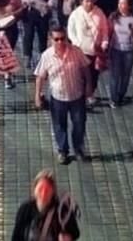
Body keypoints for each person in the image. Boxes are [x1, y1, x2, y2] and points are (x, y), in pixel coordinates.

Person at [34, 25, 93, 164]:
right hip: (58, 98)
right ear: (51, 39)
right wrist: (37, 95)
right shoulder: (47, 56)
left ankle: (78, 149)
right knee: (59, 125)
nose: (60, 42)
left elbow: (86, 69)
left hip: (77, 96)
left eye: (63, 38)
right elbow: (40, 77)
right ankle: (63, 150)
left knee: (79, 124)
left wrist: (89, 86)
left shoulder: (76, 52)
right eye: (56, 39)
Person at [68, 0, 110, 106]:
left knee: (93, 74)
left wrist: (104, 43)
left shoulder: (99, 13)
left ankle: (90, 94)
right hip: (81, 51)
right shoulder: (75, 14)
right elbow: (71, 31)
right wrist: (77, 44)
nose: (89, 4)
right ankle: (80, 95)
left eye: (91, 1)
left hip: (95, 51)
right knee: (80, 75)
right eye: (86, 1)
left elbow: (105, 29)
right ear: (82, 1)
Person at [108, 0, 133, 108]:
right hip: (116, 49)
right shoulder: (113, 17)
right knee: (115, 75)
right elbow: (108, 32)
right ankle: (114, 99)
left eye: (123, 4)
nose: (121, 6)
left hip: (130, 50)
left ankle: (121, 95)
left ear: (129, 5)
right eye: (119, 4)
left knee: (125, 74)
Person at [20, 0, 55, 69]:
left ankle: (42, 56)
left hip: (43, 12)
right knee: (28, 34)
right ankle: (27, 56)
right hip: (30, 11)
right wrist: (30, 0)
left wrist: (49, 4)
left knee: (42, 34)